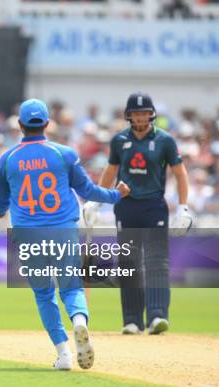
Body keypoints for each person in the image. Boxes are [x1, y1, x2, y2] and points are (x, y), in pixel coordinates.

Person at [0, 99, 130, 371]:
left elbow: (0, 203)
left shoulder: (7, 159)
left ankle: (63, 353)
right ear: (46, 124)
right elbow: (88, 191)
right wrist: (116, 194)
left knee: (44, 296)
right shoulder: (63, 153)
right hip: (62, 231)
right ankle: (79, 321)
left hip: (28, 235)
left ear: (20, 125)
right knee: (72, 287)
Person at [83, 92, 192, 335]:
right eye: (136, 113)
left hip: (154, 206)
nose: (141, 117)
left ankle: (157, 316)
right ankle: (132, 320)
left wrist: (183, 206)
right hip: (126, 205)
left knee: (157, 261)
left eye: (144, 112)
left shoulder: (165, 140)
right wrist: (97, 200)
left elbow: (180, 173)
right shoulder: (119, 141)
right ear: (129, 115)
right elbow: (110, 172)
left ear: (151, 114)